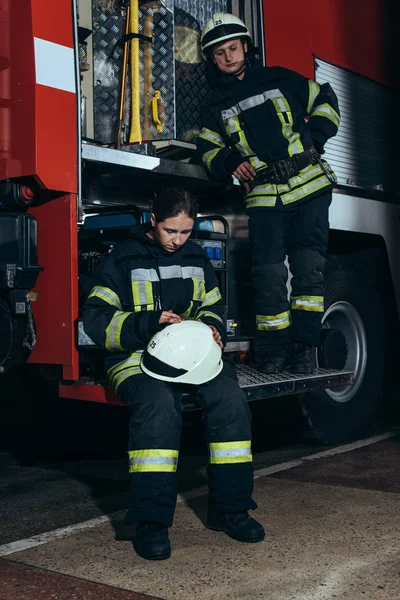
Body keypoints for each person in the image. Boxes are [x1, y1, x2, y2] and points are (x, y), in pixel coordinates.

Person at [82, 188, 264, 561]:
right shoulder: (121, 259)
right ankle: (150, 522)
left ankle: (230, 510)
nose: (177, 240)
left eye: (184, 232)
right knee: (159, 407)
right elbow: (97, 321)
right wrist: (148, 323)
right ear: (153, 220)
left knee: (230, 401)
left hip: (192, 355)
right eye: (170, 231)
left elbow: (213, 305)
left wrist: (214, 328)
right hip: (134, 357)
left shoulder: (196, 256)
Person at [196, 13, 341, 374]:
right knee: (268, 274)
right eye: (219, 53)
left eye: (233, 48)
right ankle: (274, 351)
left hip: (309, 186)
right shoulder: (213, 106)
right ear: (212, 60)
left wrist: (317, 139)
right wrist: (229, 160)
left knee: (309, 270)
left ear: (246, 46)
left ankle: (304, 348)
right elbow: (207, 149)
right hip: (264, 196)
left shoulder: (280, 78)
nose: (228, 57)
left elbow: (325, 98)